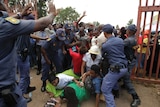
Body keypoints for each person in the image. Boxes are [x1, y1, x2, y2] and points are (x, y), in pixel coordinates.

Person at [0, 1, 57, 107]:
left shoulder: (10, 26)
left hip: (23, 56)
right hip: (7, 88)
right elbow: (42, 24)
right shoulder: (8, 27)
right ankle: (22, 92)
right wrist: (52, 13)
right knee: (23, 78)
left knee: (25, 76)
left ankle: (25, 89)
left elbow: (30, 35)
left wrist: (21, 14)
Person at [101, 24, 128, 107]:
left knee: (105, 89)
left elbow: (103, 56)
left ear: (105, 33)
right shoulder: (120, 40)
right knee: (112, 77)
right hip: (124, 67)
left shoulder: (105, 45)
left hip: (116, 68)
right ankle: (116, 92)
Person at [123, 24, 141, 107]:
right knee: (125, 75)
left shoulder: (128, 40)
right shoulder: (133, 39)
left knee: (127, 78)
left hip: (129, 61)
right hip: (131, 59)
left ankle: (136, 97)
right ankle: (125, 85)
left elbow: (120, 46)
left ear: (129, 31)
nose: (126, 31)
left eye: (127, 30)